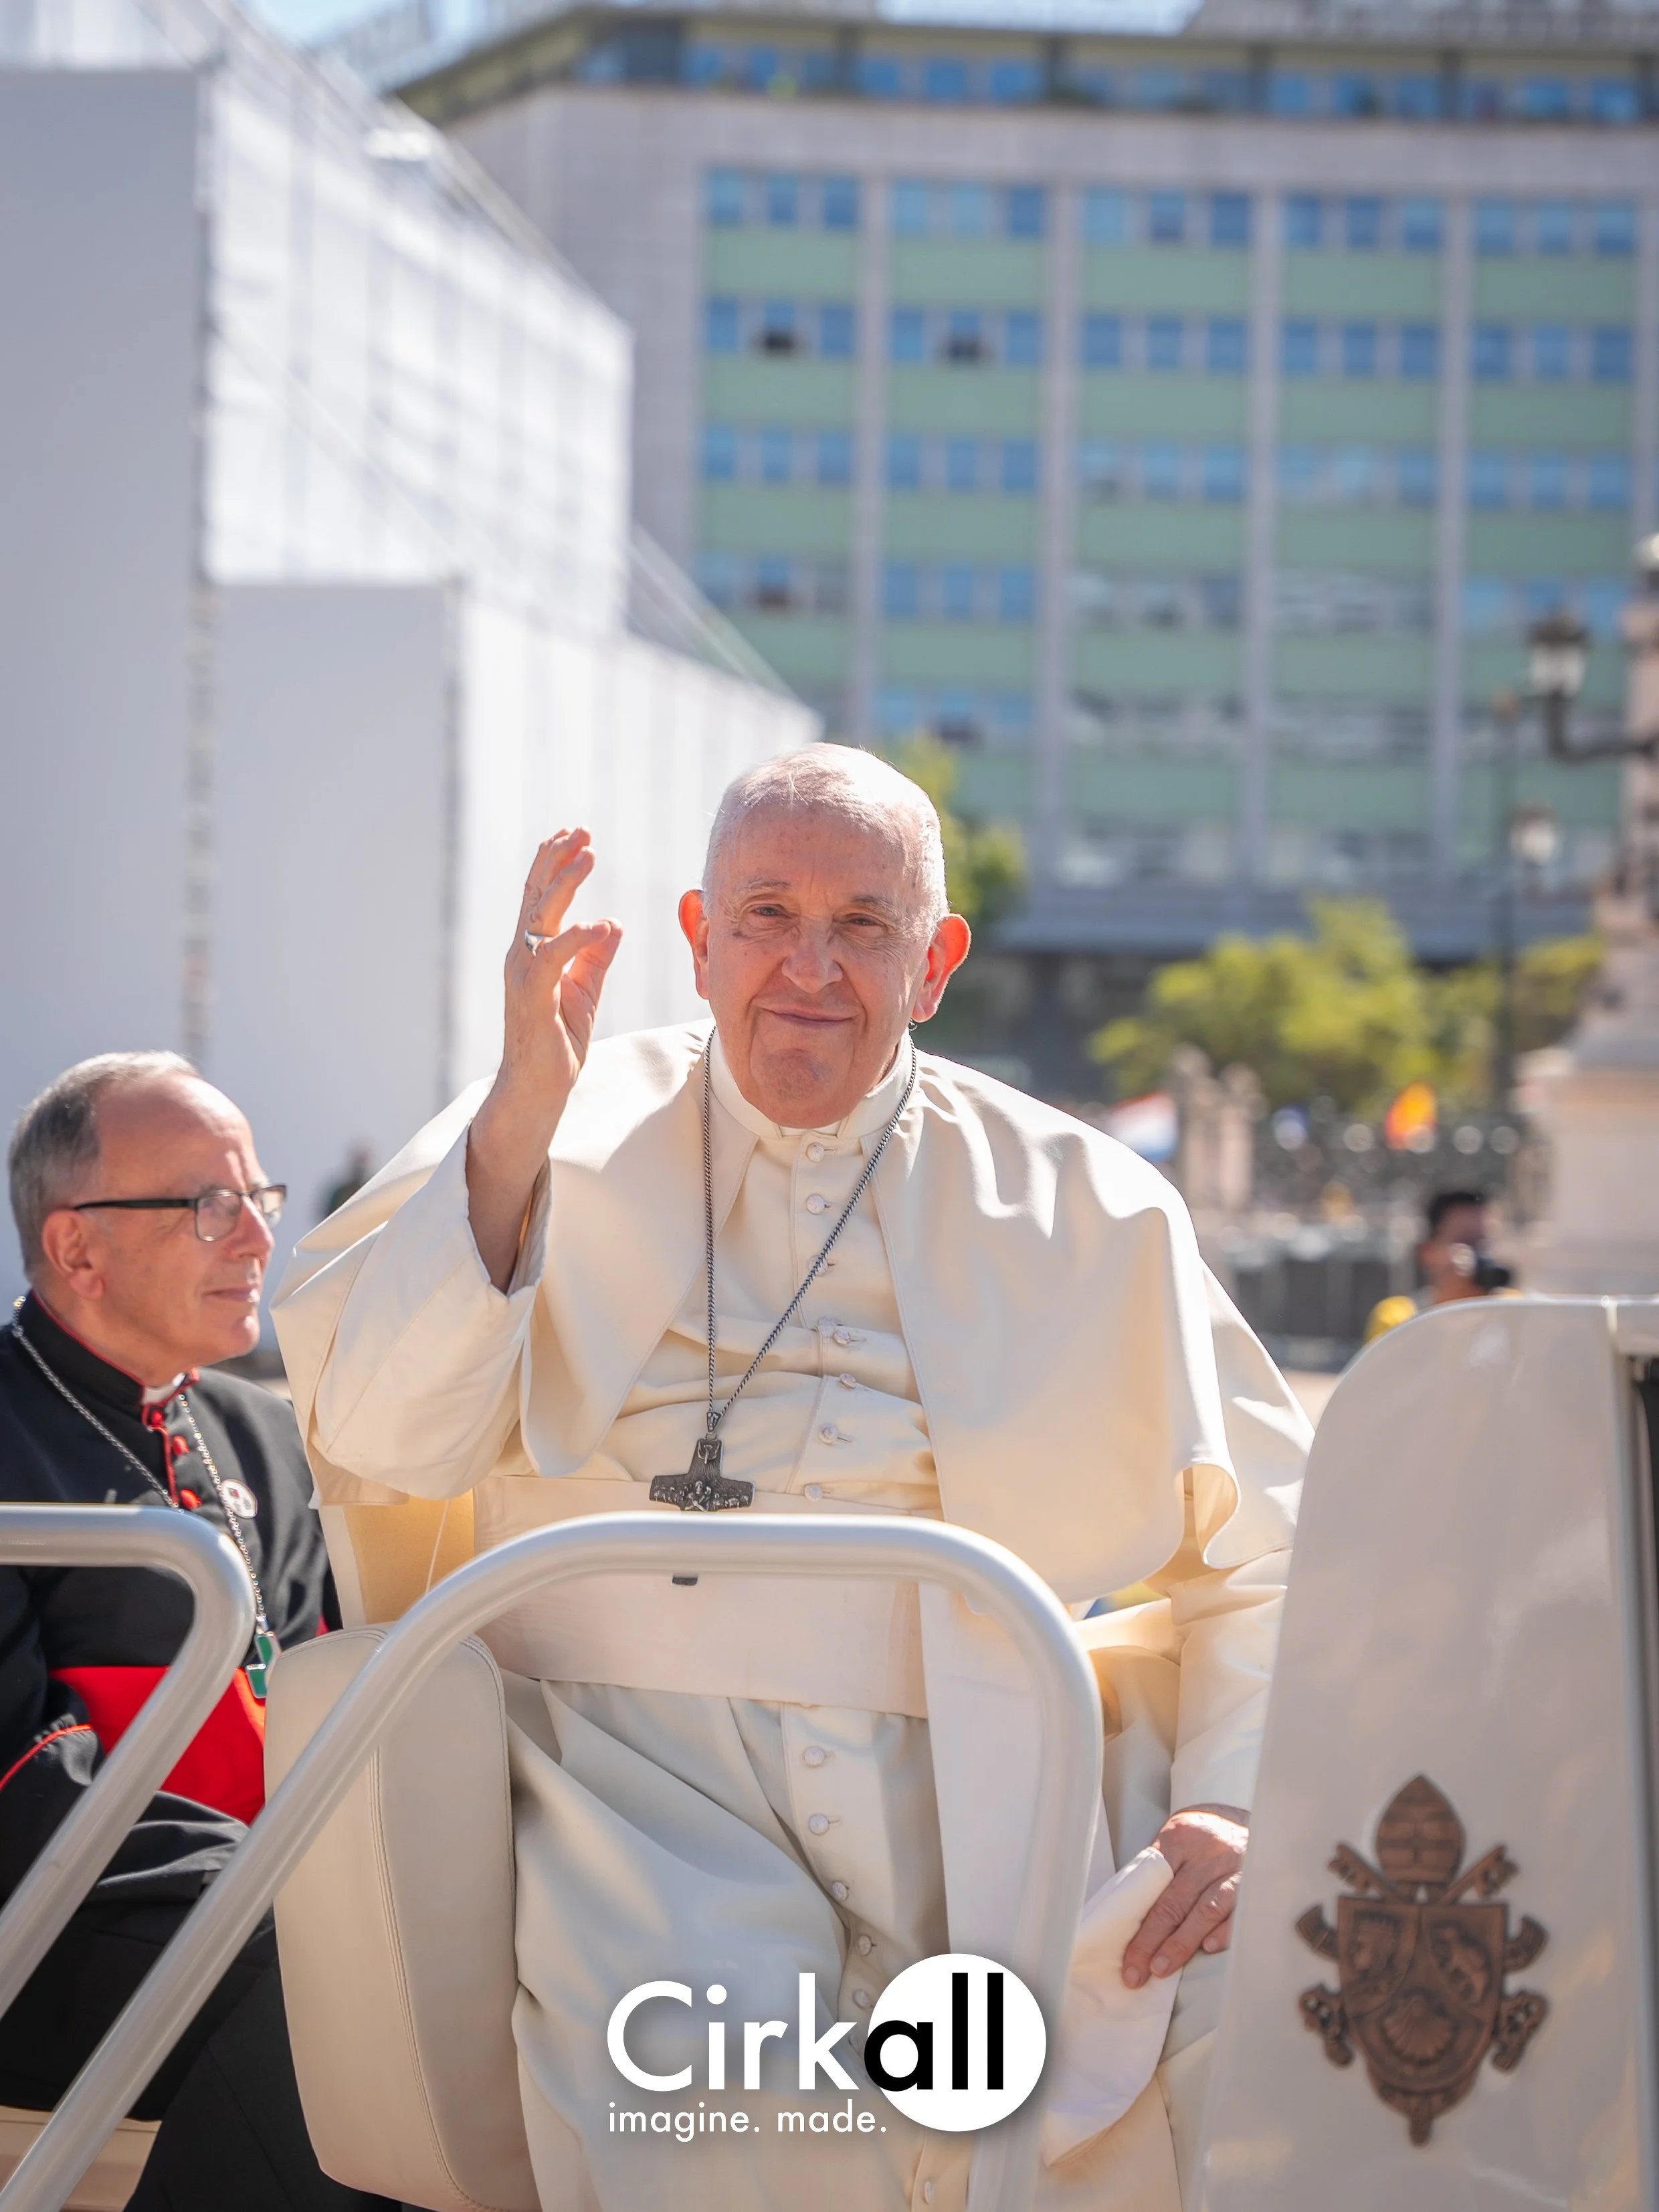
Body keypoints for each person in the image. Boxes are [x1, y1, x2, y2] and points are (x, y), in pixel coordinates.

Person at [276, 749, 1310, 2212]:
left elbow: (1262, 1548)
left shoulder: (1088, 1202)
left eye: (863, 926)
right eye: (764, 915)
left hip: (979, 1794)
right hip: (635, 1787)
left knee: (1196, 2084)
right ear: (698, 943)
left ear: (934, 962)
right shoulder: (542, 1115)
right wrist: (517, 1125)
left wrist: (1233, 1803)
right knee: (727, 2102)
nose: (808, 968)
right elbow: (384, 1436)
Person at [0, 1053, 395, 2212]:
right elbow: (17, 1779)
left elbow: (322, 1693)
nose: (258, 1237)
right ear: (77, 1247)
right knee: (322, 1967)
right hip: (48, 1933)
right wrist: (267, 1876)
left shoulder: (256, 1435)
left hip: (230, 1903)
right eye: (211, 1206)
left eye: (261, 1200)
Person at [1363, 1187, 1512, 1344]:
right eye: (1466, 1241)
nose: (1479, 1254)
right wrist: (1446, 1309)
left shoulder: (1515, 1307)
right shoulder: (1397, 1316)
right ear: (1427, 1252)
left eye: (1485, 1242)